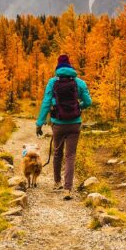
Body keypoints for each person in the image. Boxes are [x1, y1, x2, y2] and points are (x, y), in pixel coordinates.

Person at [36, 54, 92, 200]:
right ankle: (67, 189)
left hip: (58, 124)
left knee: (57, 153)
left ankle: (57, 183)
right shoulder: (79, 82)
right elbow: (88, 102)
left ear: (58, 67)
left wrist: (39, 124)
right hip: (74, 123)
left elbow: (46, 103)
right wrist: (79, 106)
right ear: (70, 66)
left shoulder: (52, 82)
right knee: (70, 156)